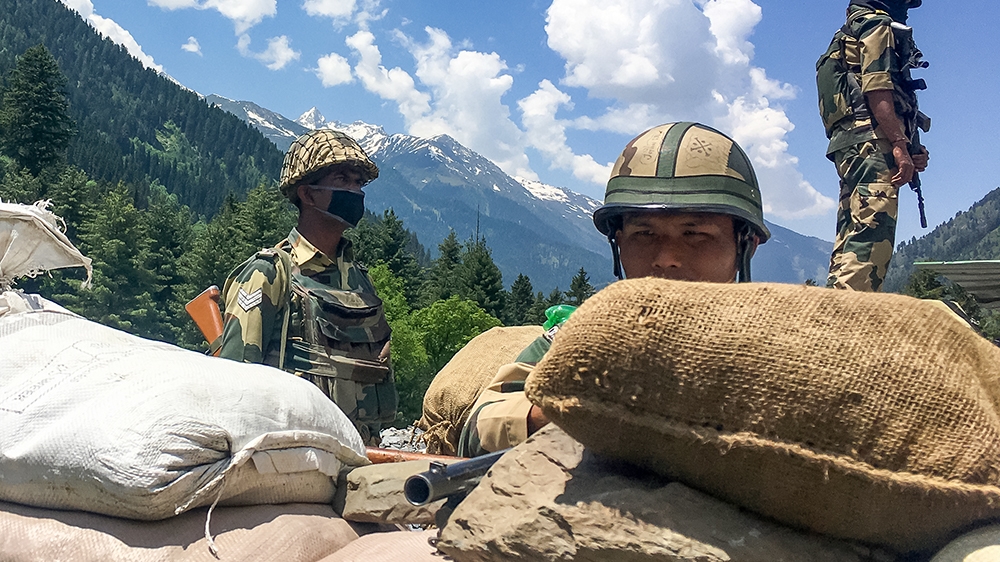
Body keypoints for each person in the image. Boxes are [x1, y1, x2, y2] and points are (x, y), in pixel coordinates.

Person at [456, 122, 770, 457]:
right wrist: (564, 410)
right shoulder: (580, 336)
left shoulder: (783, 347)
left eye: (694, 235)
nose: (666, 259)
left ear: (745, 246)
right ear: (618, 243)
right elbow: (476, 431)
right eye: (644, 235)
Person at [218, 129, 397, 445]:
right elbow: (233, 386)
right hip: (291, 455)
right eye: (342, 180)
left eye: (359, 183)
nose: (355, 192)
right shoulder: (270, 274)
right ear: (308, 194)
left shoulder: (359, 280)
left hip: (363, 451)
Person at [817, 0, 930, 292]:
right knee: (870, 238)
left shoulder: (847, 33)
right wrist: (898, 144)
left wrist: (908, 145)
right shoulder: (877, 25)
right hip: (872, 145)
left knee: (851, 239)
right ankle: (846, 323)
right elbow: (877, 88)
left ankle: (832, 315)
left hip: (853, 146)